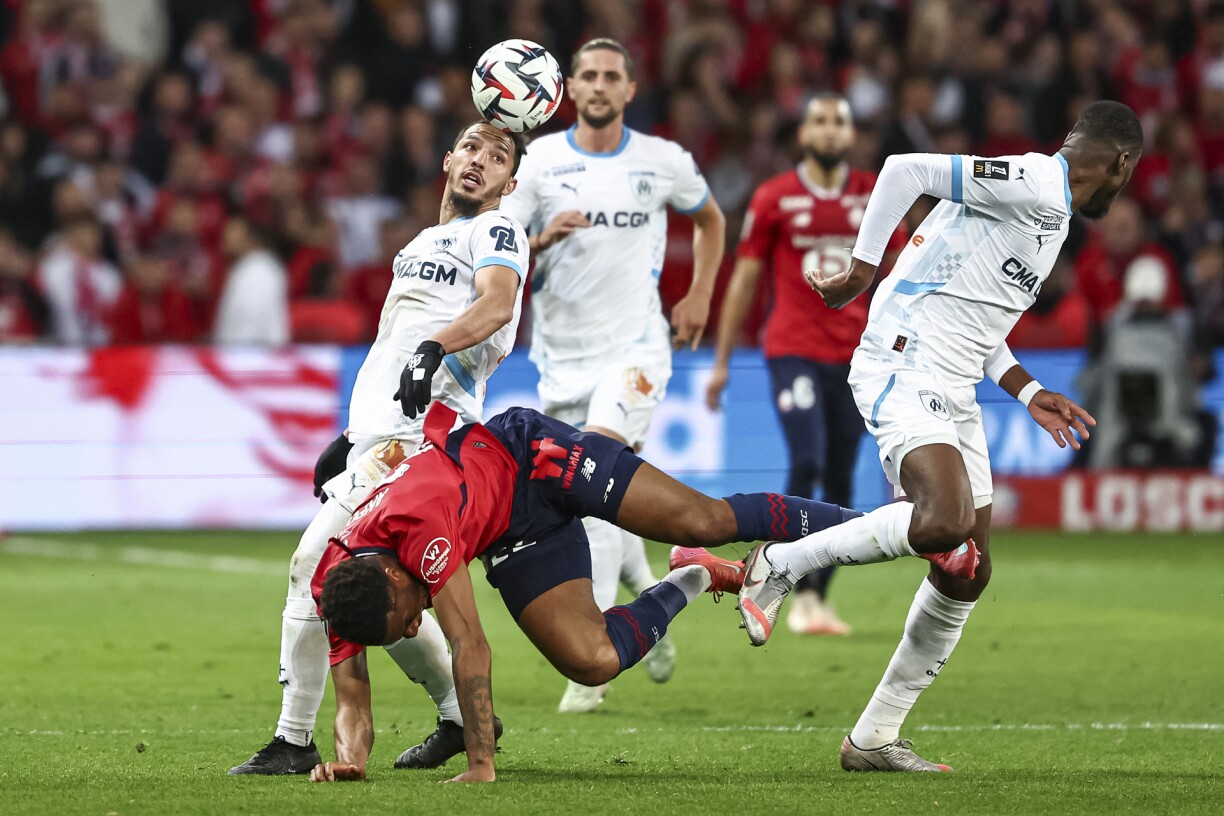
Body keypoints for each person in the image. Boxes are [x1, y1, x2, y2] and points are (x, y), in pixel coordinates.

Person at [736, 101, 1142, 772]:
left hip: (954, 382)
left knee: (969, 571)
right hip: (904, 361)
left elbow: (974, 316)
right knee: (943, 523)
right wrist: (862, 271)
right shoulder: (1035, 180)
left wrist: (1028, 390)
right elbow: (904, 169)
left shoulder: (1051, 209)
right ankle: (782, 563)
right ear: (1121, 164)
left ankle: (874, 738)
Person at [307, 400, 883, 783]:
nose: (415, 627)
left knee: (702, 519)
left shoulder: (421, 535)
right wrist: (349, 761)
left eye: (407, 619)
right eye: (406, 632)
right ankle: (697, 575)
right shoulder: (337, 588)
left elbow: (470, 644)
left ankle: (880, 524)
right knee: (591, 660)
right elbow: (352, 699)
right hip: (512, 532)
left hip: (532, 458)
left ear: (393, 576)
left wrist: (481, 763)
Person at [229, 121, 530, 776]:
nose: (480, 160)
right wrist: (351, 436)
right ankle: (459, 718)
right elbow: (396, 341)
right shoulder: (422, 242)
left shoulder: (496, 230)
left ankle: (294, 739)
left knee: (314, 564)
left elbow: (498, 305)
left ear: (510, 183)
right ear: (447, 159)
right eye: (471, 147)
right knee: (375, 592)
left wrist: (433, 350)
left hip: (420, 440)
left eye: (498, 156)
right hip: (381, 435)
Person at [496, 37, 726, 712]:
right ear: (569, 89)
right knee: (585, 497)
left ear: (629, 89)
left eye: (611, 76)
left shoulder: (663, 160)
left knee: (592, 467)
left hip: (636, 350)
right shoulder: (539, 163)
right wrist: (542, 239)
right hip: (560, 359)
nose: (599, 85)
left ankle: (587, 671)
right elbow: (499, 244)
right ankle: (649, 591)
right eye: (588, 76)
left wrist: (700, 294)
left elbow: (710, 220)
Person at [706, 93, 905, 636]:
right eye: (820, 120)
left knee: (840, 470)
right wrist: (721, 361)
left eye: (840, 121)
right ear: (804, 134)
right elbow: (745, 277)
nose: (830, 129)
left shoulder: (875, 194)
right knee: (808, 458)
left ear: (851, 134)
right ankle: (777, 575)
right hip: (792, 348)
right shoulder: (774, 197)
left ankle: (815, 595)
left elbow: (904, 272)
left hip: (857, 356)